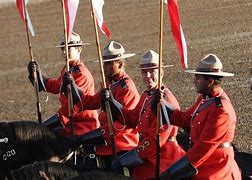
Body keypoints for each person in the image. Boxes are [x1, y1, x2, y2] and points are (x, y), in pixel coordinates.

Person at [152, 54, 241, 179]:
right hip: (202, 164)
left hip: (216, 170)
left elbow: (203, 148)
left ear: (210, 81)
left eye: (198, 78)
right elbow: (183, 119)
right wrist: (160, 104)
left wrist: (171, 173)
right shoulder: (204, 100)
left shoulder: (221, 110)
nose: (194, 81)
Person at [105, 50, 185, 179]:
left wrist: (123, 160)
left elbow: (155, 142)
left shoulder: (166, 101)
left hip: (161, 163)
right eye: (144, 71)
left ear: (161, 72)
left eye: (152, 71)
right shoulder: (147, 96)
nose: (147, 75)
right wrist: (111, 103)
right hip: (146, 159)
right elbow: (131, 120)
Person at [63, 40, 140, 170]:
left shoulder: (126, 88)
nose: (104, 67)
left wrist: (89, 136)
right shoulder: (108, 82)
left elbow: (120, 125)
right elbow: (91, 102)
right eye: (104, 63)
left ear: (120, 64)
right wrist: (72, 86)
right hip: (107, 140)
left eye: (109, 63)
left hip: (121, 142)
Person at [27, 32, 99, 138]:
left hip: (81, 124)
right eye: (62, 48)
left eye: (68, 48)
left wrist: (56, 120)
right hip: (68, 121)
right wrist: (37, 76)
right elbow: (56, 86)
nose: (64, 51)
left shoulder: (81, 73)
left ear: (79, 49)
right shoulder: (68, 68)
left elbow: (74, 104)